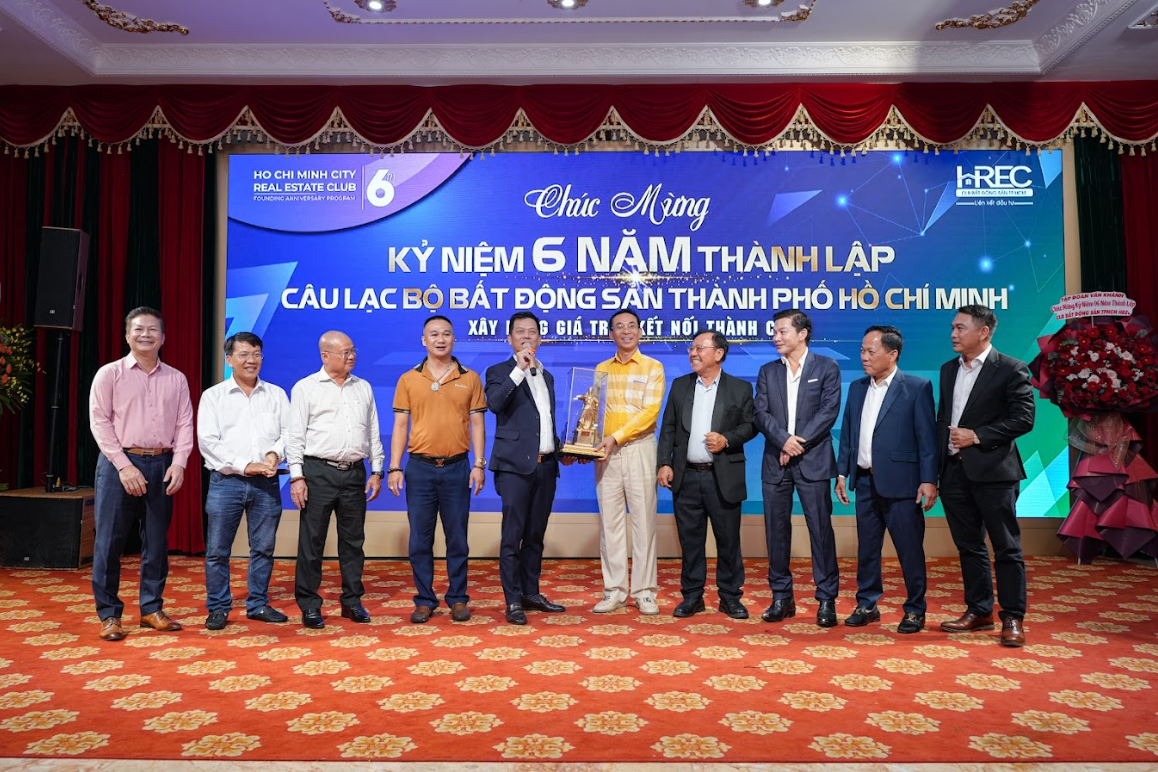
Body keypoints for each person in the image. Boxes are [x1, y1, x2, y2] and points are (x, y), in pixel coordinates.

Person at [89, 306, 194, 641]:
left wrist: (179, 462)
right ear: (127, 335)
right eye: (138, 329)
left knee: (157, 543)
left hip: (162, 465)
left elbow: (184, 424)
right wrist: (124, 465)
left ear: (163, 337)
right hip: (117, 464)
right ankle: (109, 615)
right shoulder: (109, 374)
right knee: (109, 542)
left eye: (152, 329)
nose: (145, 334)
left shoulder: (176, 378)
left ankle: (151, 608)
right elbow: (100, 423)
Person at [937, 304, 1035, 647]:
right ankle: (979, 610)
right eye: (953, 327)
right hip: (954, 472)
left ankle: (1013, 618)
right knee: (969, 546)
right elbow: (943, 419)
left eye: (960, 328)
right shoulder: (948, 369)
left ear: (983, 332)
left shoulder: (1010, 368)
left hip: (995, 473)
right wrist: (935, 471)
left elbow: (1024, 419)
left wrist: (977, 436)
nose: (953, 334)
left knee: (1006, 548)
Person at [835, 326, 938, 634]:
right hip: (865, 482)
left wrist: (929, 480)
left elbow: (927, 440)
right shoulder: (857, 388)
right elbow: (848, 434)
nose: (864, 357)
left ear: (893, 354)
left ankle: (915, 609)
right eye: (862, 351)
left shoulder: (917, 387)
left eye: (871, 351)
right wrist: (842, 473)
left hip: (903, 484)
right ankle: (867, 604)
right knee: (867, 549)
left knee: (909, 550)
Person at [388, 315, 487, 624]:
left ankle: (458, 598)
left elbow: (478, 424)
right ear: (424, 340)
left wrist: (479, 464)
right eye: (434, 334)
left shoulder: (470, 377)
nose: (440, 339)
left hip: (458, 467)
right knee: (420, 539)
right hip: (420, 469)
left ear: (454, 339)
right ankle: (424, 599)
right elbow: (400, 425)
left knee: (458, 539)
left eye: (446, 334)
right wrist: (394, 467)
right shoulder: (408, 378)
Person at [286, 331, 384, 629]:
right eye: (345, 352)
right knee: (312, 541)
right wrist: (296, 476)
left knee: (353, 542)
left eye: (353, 350)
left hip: (354, 472)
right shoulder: (306, 388)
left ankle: (352, 601)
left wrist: (377, 470)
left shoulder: (363, 387)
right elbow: (294, 436)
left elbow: (373, 431)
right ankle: (309, 604)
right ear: (325, 355)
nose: (351, 356)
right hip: (318, 472)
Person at [657, 330, 756, 619]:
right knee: (690, 542)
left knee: (728, 542)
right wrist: (664, 463)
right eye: (692, 348)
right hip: (686, 476)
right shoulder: (681, 386)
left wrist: (727, 439)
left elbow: (751, 425)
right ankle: (692, 596)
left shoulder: (739, 388)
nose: (693, 353)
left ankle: (730, 597)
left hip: (722, 477)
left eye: (700, 348)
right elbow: (669, 428)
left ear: (719, 353)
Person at [197, 332, 291, 630]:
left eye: (257, 354)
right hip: (226, 483)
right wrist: (245, 465)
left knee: (263, 548)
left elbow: (289, 433)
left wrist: (275, 454)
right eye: (244, 354)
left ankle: (258, 604)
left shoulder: (276, 394)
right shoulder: (213, 396)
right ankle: (218, 607)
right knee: (217, 551)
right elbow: (208, 441)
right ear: (229, 359)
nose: (252, 360)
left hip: (266, 483)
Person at [754, 309, 841, 627]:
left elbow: (829, 411)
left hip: (812, 461)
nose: (775, 337)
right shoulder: (767, 371)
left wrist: (796, 443)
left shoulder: (826, 367)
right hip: (775, 462)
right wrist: (783, 441)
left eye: (782, 331)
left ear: (802, 333)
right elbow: (760, 413)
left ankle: (826, 599)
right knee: (776, 532)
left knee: (820, 530)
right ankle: (781, 597)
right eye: (774, 331)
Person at [485, 311, 565, 625]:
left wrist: (562, 449)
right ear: (510, 338)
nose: (526, 336)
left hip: (546, 467)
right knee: (512, 536)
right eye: (520, 332)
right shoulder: (498, 371)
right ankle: (513, 600)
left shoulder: (547, 376)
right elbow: (495, 404)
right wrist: (518, 369)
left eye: (532, 332)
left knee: (535, 535)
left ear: (540, 339)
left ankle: (531, 593)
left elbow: (544, 423)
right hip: (514, 469)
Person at [591, 308, 665, 615]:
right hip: (605, 453)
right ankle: (614, 590)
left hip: (639, 448)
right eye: (619, 327)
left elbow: (650, 412)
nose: (626, 331)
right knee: (610, 524)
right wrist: (585, 443)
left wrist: (617, 436)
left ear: (640, 332)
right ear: (611, 333)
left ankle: (645, 592)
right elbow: (593, 410)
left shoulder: (653, 367)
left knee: (644, 522)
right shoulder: (601, 369)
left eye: (631, 326)